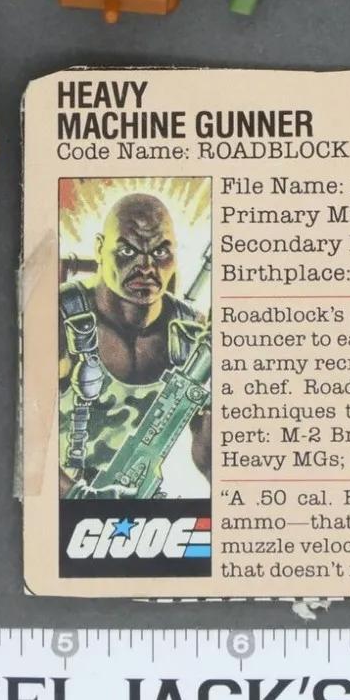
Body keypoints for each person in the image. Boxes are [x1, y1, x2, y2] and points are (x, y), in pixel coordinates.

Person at [58, 193, 211, 496]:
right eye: (128, 250)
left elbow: (210, 457)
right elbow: (21, 442)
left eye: (160, 252)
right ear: (100, 248)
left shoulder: (191, 330)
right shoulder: (60, 315)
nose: (146, 267)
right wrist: (77, 496)